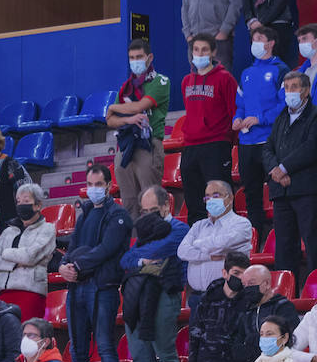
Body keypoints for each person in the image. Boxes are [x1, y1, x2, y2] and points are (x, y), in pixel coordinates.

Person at [61, 164, 130, 362]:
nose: (93, 189)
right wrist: (63, 267)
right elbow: (72, 246)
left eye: (98, 184)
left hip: (103, 287)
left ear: (109, 185)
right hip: (77, 287)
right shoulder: (85, 214)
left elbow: (106, 249)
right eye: (90, 184)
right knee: (77, 350)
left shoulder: (118, 214)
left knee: (105, 346)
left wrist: (76, 265)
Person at [265, 71, 317, 280]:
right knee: (284, 247)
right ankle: (286, 292)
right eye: (287, 87)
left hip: (307, 190)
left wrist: (284, 168)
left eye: (294, 87)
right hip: (281, 192)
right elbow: (268, 148)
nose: (289, 91)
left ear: (306, 90)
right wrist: (276, 170)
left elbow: (311, 148)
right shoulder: (281, 117)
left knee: (314, 243)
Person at [119, 188, 186, 362]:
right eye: (145, 211)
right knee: (141, 357)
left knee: (165, 355)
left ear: (166, 206)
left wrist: (139, 257)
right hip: (139, 294)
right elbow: (126, 259)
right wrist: (142, 260)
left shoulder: (180, 229)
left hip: (165, 293)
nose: (149, 215)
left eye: (153, 210)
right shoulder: (145, 232)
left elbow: (158, 250)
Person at [106, 41, 170, 220]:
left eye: (139, 57)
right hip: (126, 147)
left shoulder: (160, 81)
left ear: (149, 58)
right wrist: (128, 119)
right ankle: (133, 238)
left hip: (148, 145)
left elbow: (140, 106)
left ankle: (154, 236)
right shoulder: (126, 87)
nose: (135, 61)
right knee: (129, 204)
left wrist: (113, 107)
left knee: (151, 201)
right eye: (132, 58)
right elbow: (110, 120)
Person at [180, 36, 241, 224]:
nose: (200, 54)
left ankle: (230, 236)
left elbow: (235, 112)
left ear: (213, 52)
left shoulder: (225, 78)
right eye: (196, 50)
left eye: (204, 49)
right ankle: (198, 238)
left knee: (220, 199)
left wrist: (228, 141)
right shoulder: (186, 81)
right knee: (194, 202)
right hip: (190, 146)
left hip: (216, 145)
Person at [235, 29, 287, 239]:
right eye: (253, 39)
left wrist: (260, 119)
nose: (254, 43)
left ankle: (281, 236)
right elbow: (240, 104)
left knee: (278, 190)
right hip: (246, 142)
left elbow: (285, 105)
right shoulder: (246, 73)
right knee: (251, 192)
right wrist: (237, 119)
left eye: (259, 39)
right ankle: (256, 238)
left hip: (269, 140)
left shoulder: (280, 69)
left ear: (271, 43)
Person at [178, 180, 254, 307]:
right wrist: (208, 256)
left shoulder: (242, 224)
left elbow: (222, 244)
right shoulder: (198, 226)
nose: (211, 200)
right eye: (207, 197)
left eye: (216, 195)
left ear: (230, 198)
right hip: (198, 297)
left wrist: (196, 244)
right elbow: (182, 251)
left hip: (228, 296)